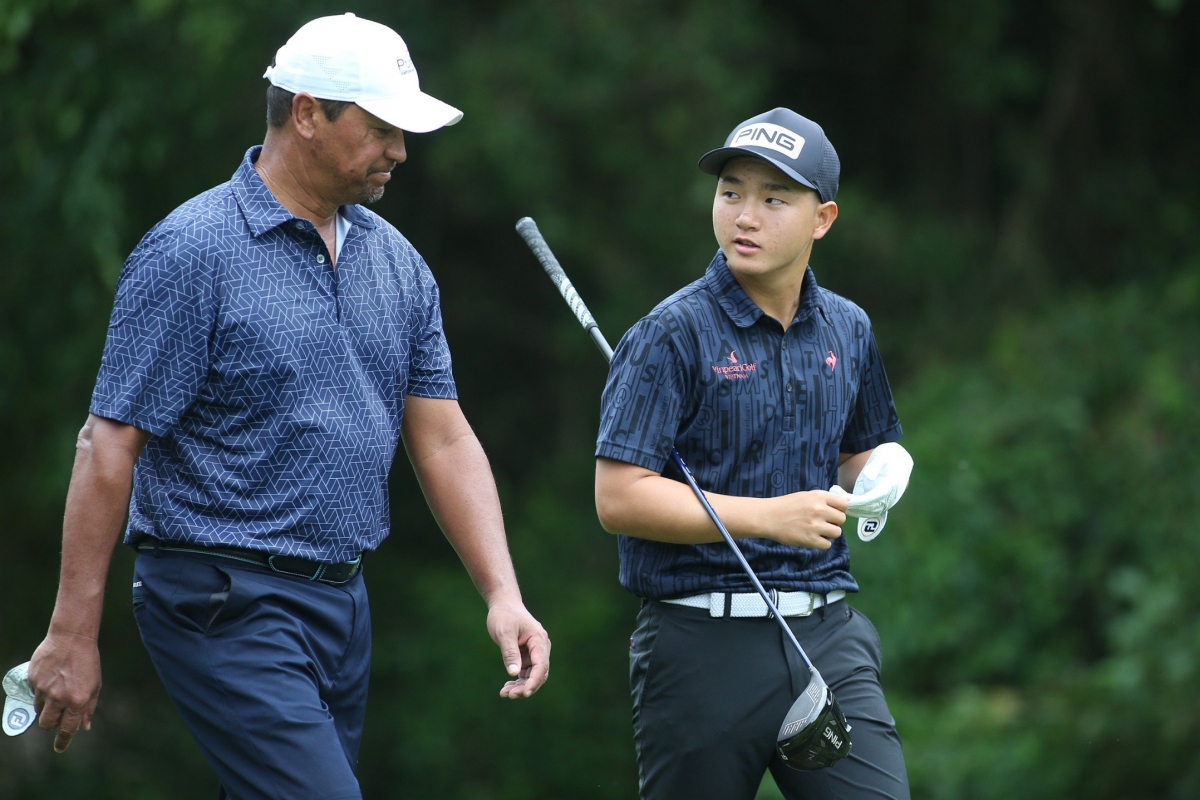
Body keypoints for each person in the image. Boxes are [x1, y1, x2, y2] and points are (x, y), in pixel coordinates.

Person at [27, 13, 550, 799]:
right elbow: (108, 446)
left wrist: (502, 594)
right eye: (379, 129)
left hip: (342, 603)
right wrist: (71, 634)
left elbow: (441, 438)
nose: (400, 153)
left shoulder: (398, 264)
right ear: (306, 113)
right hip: (221, 599)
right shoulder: (192, 251)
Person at [594, 108, 909, 800]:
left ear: (822, 219)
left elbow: (861, 451)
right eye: (732, 191)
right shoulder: (669, 334)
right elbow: (619, 499)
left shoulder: (849, 329)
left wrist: (882, 474)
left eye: (774, 199)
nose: (746, 215)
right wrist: (770, 518)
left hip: (828, 634)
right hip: (699, 643)